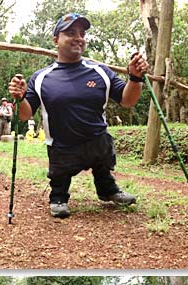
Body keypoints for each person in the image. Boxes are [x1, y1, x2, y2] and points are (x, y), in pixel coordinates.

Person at [8, 13, 150, 218]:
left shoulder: (101, 71)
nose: (79, 37)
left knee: (103, 162)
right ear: (56, 40)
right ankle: (58, 197)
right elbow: (25, 115)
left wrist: (135, 78)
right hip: (62, 145)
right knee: (59, 176)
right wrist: (20, 98)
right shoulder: (41, 78)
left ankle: (107, 190)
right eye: (71, 33)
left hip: (96, 140)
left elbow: (127, 101)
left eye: (82, 33)